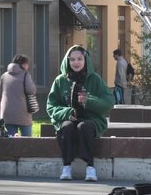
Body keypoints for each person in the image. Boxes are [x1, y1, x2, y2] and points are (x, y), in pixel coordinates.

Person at [47, 45, 114, 181]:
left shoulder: (95, 79)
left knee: (84, 127)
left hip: (91, 120)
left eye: (79, 59)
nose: (76, 63)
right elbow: (51, 106)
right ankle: (66, 166)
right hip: (68, 119)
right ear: (67, 61)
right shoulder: (60, 80)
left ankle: (90, 167)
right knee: (66, 127)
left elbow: (108, 102)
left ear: (86, 60)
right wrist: (67, 113)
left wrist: (89, 101)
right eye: (72, 59)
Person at [0, 54, 37, 137]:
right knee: (27, 141)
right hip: (23, 114)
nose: (28, 66)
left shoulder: (4, 76)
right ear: (23, 64)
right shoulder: (25, 75)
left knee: (9, 140)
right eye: (27, 64)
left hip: (6, 115)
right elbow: (32, 90)